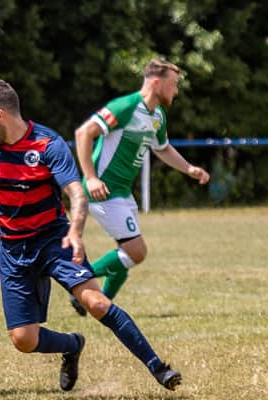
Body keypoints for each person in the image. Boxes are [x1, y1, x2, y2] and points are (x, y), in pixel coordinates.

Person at [0, 79, 182, 391]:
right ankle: (72, 345)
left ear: (0, 115)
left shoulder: (47, 144)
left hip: (55, 241)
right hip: (13, 250)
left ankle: (159, 368)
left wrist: (76, 232)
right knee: (24, 340)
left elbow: (77, 194)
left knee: (95, 302)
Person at [68, 58, 210, 316]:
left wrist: (188, 168)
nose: (176, 91)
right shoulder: (126, 106)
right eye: (173, 84)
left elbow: (162, 148)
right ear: (156, 83)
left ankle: (98, 304)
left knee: (127, 253)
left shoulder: (157, 116)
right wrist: (90, 177)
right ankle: (78, 280)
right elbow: (84, 133)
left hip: (122, 192)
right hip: (104, 190)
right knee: (136, 251)